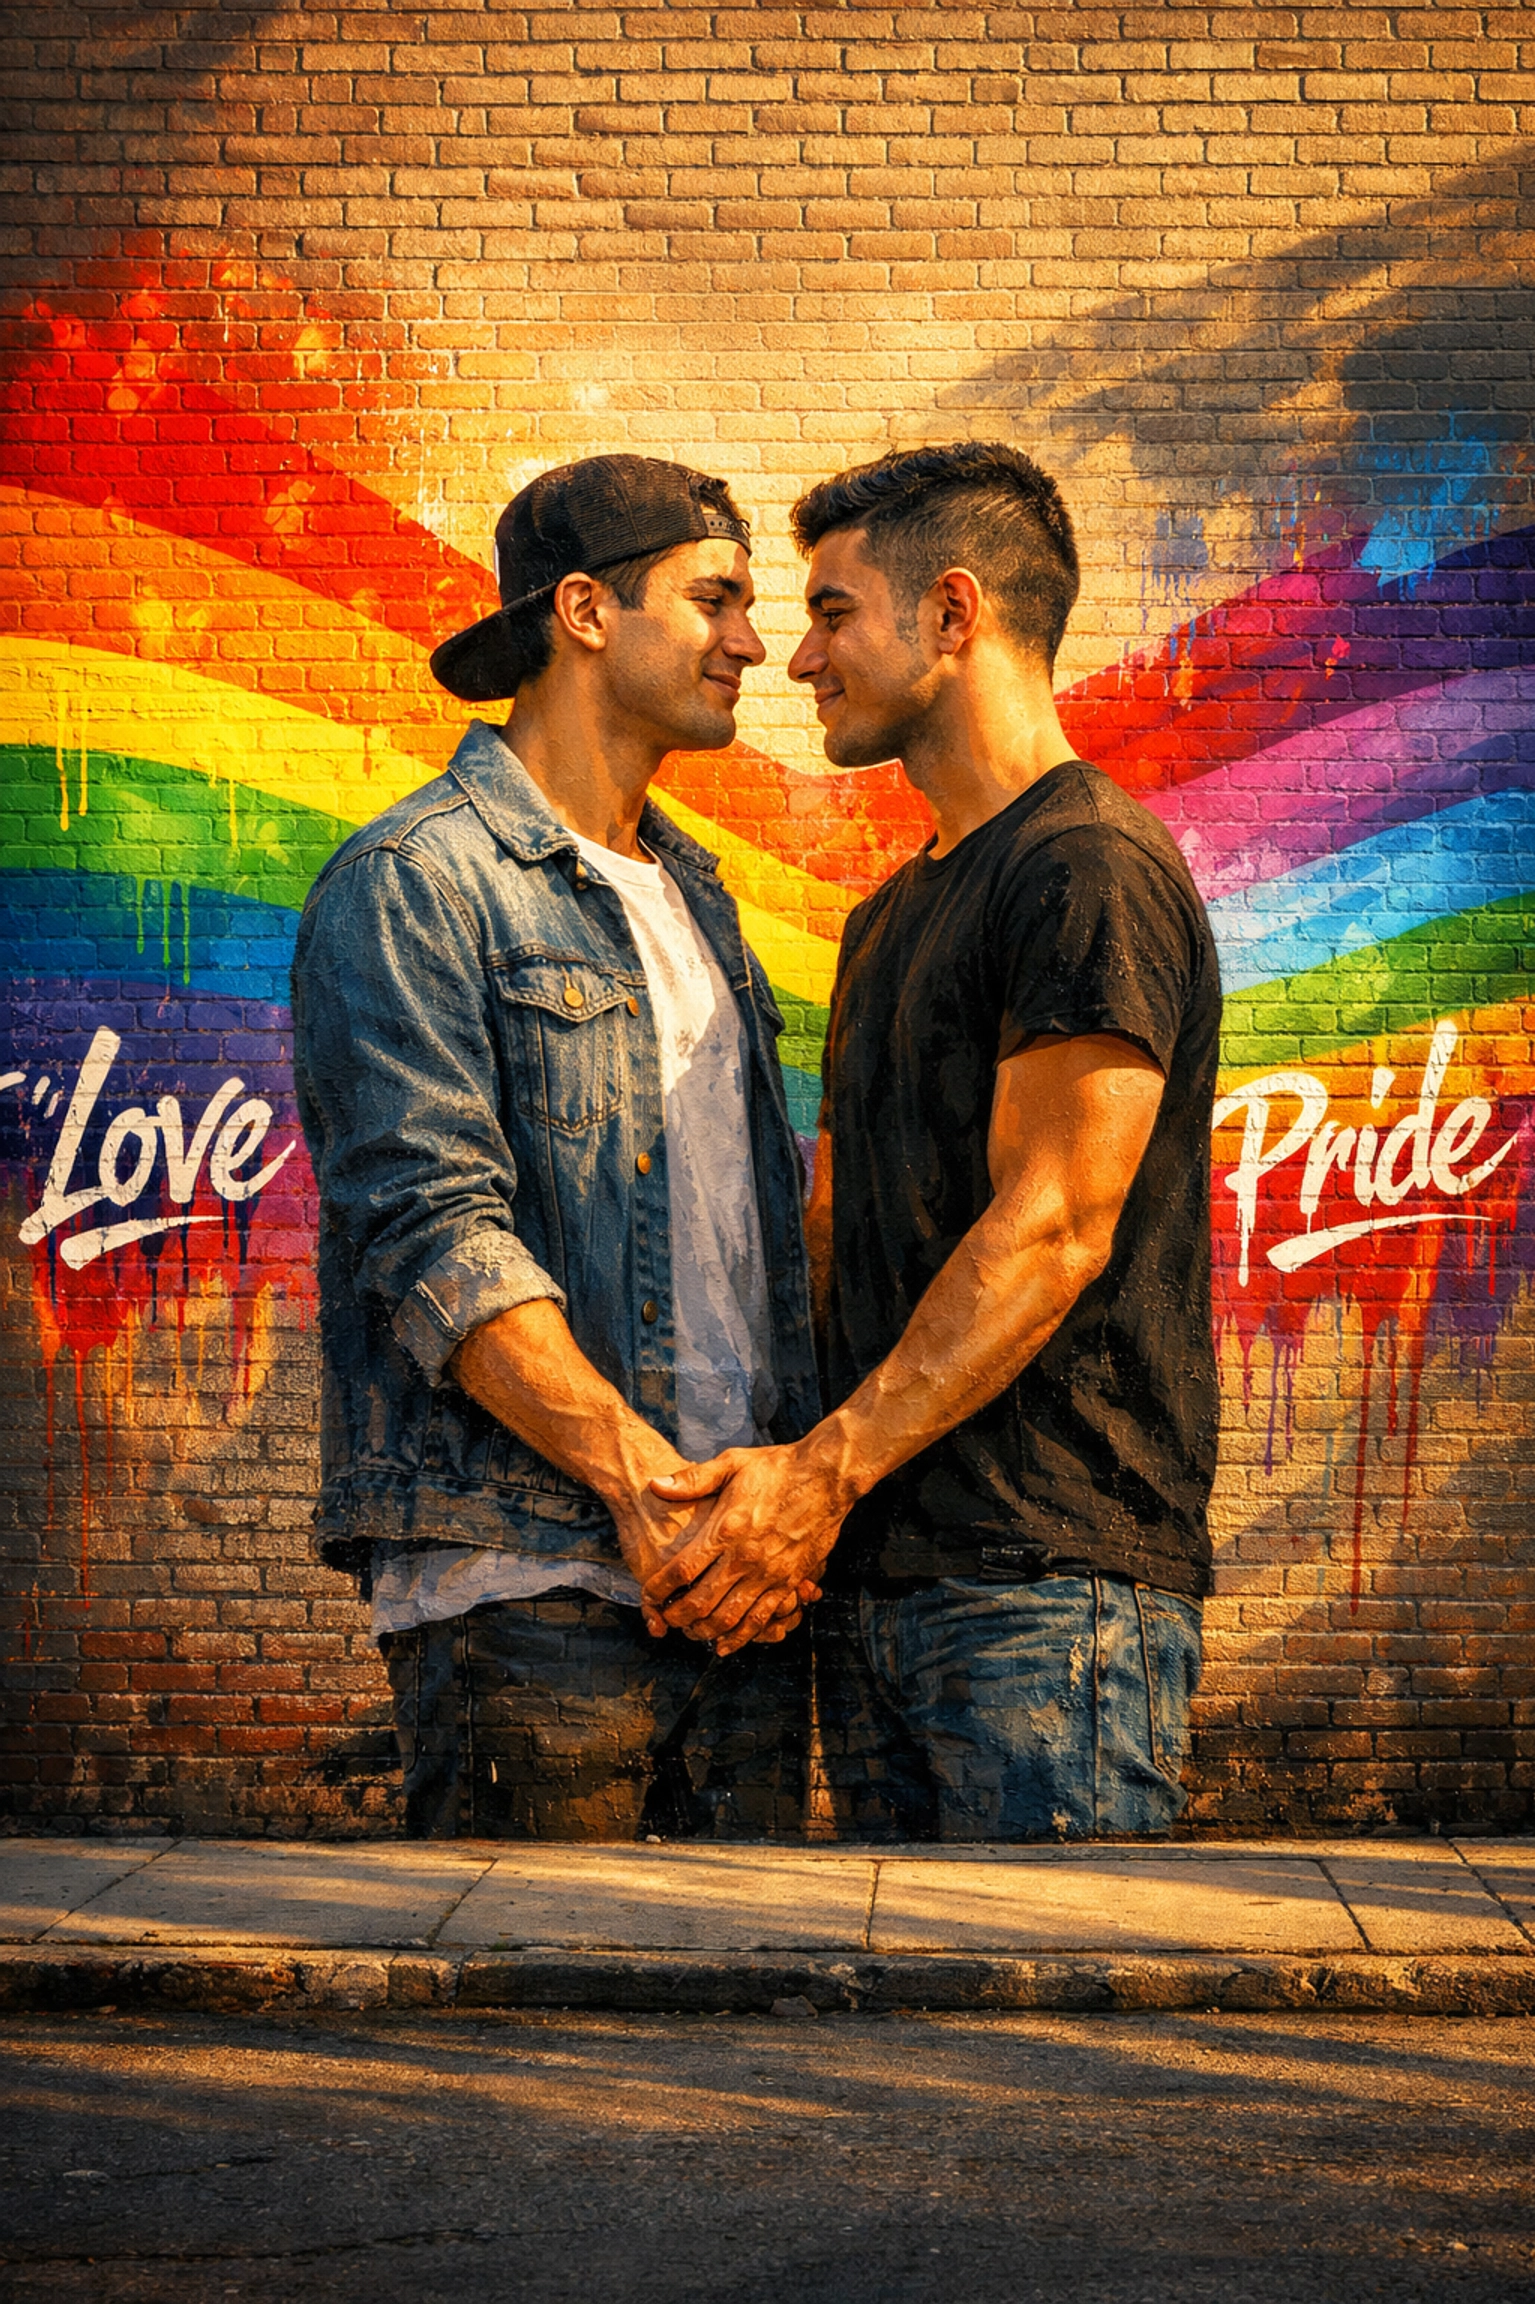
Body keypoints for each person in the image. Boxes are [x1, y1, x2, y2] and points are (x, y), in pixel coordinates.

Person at [645, 442, 1223, 1842]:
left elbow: (1054, 1227)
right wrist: (784, 1505)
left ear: (952, 615)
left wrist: (819, 1479)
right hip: (880, 1582)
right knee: (910, 2035)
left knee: (1058, 2049)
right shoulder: (889, 920)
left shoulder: (1086, 868)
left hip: (1051, 1589)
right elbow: (841, 1236)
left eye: (835, 613)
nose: (798, 660)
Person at [291, 454, 821, 1840]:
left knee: (742, 2044)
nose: (754, 643)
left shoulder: (700, 900)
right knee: (533, 2039)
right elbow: (432, 1235)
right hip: (527, 1590)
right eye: (715, 599)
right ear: (586, 611)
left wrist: (755, 1513)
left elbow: (746, 1251)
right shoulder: (418, 882)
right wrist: (640, 1486)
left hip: (731, 1592)